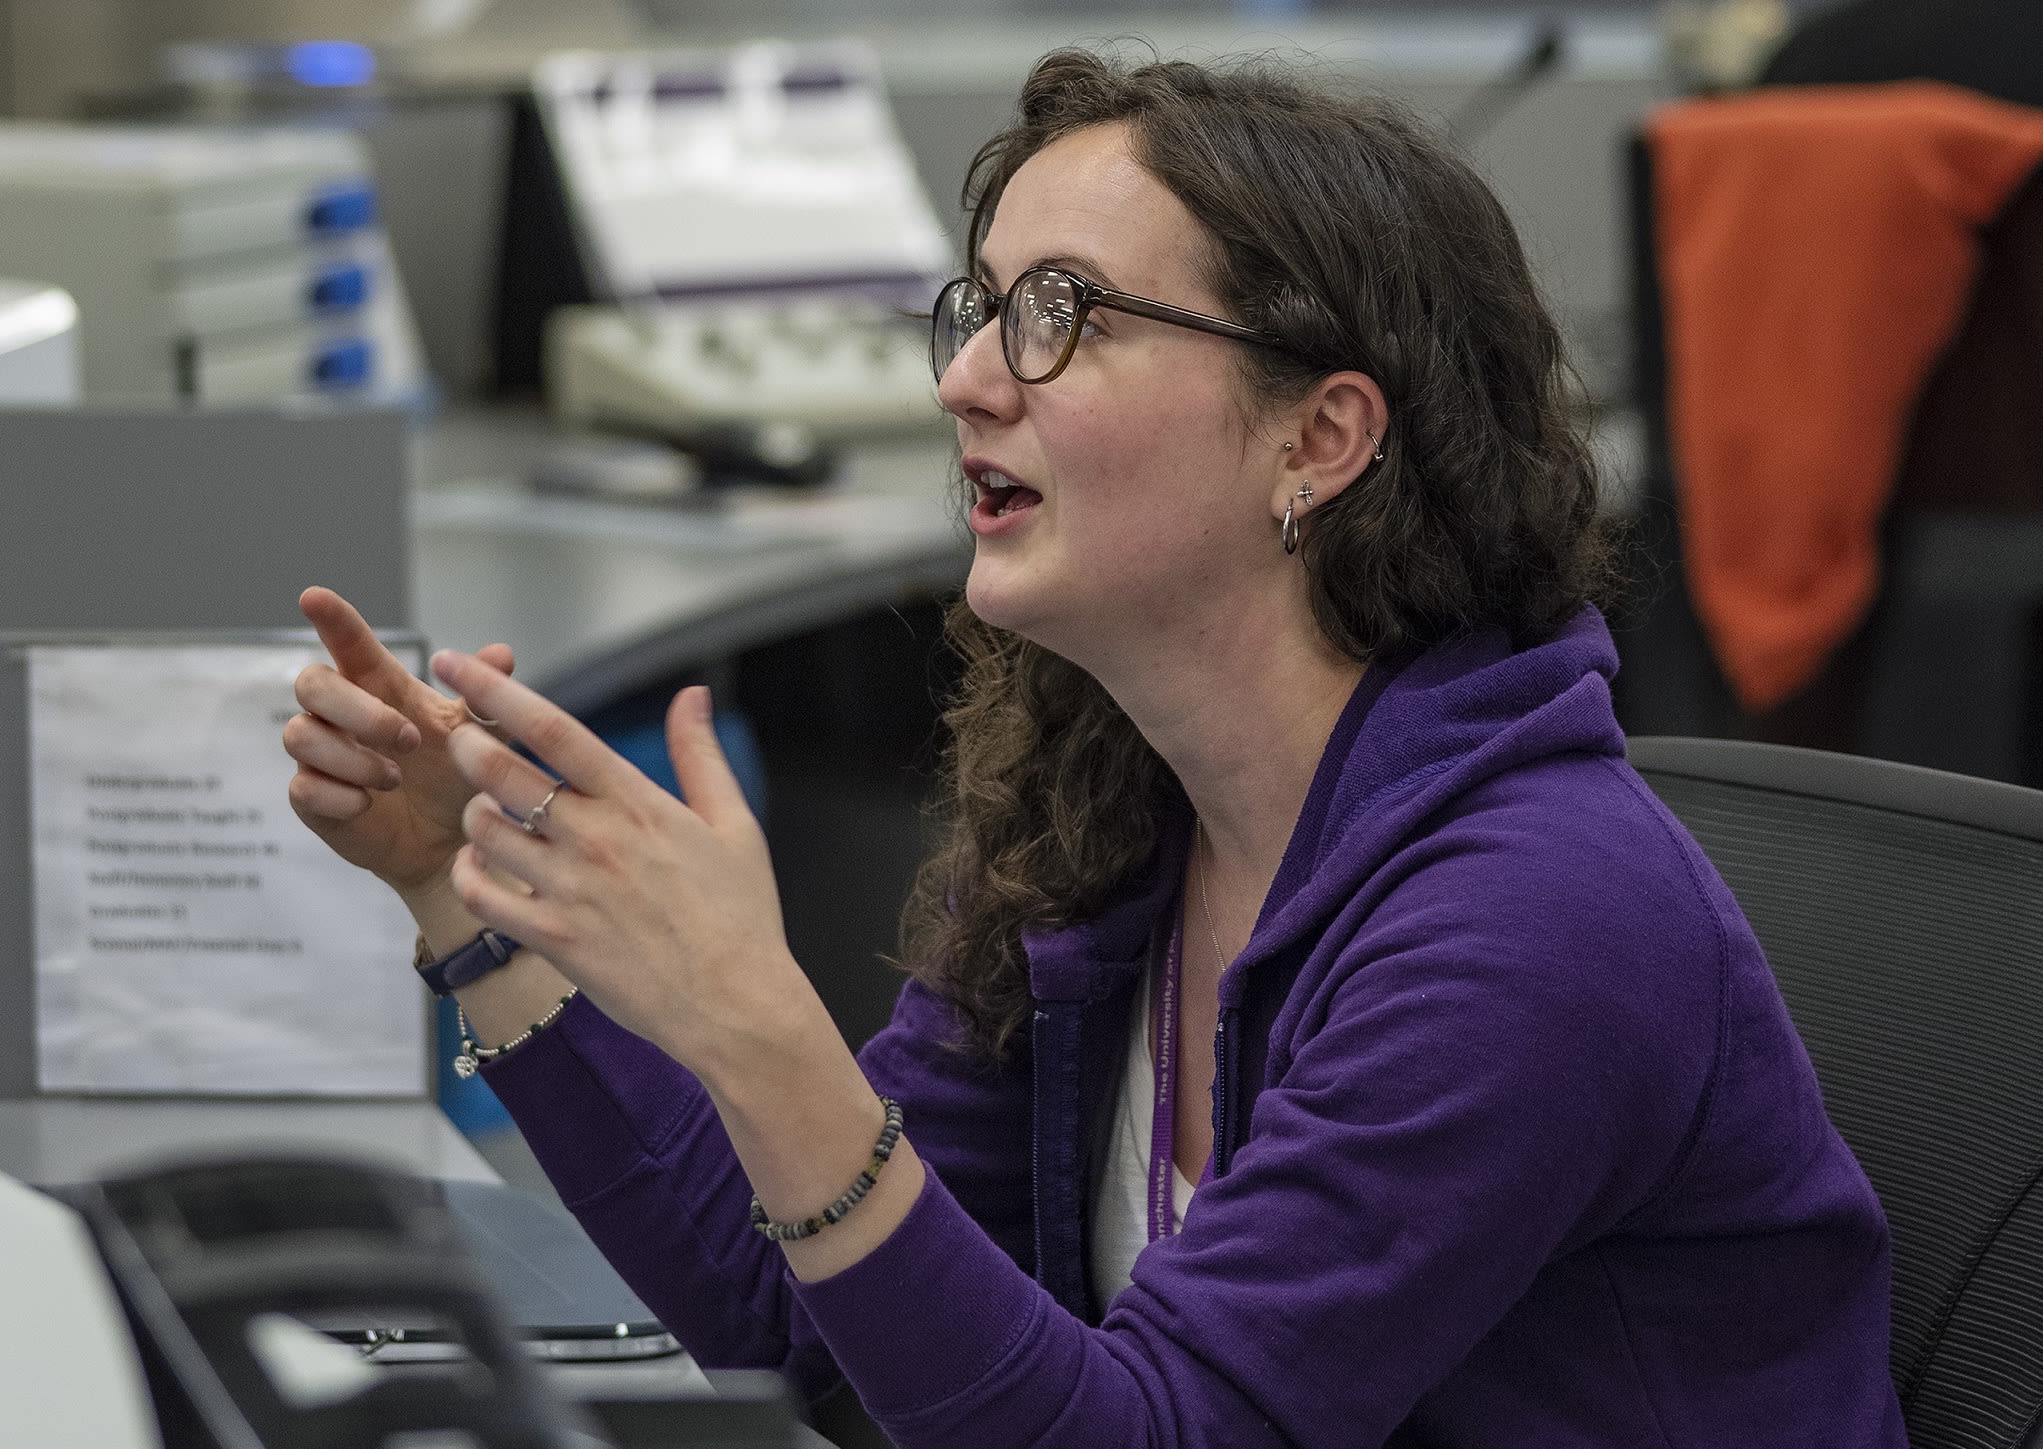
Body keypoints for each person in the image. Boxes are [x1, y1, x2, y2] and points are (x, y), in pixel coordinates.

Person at [283, 49, 1908, 1447]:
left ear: (1318, 437)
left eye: (1061, 314)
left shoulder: (1534, 924)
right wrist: (456, 887)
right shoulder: (1111, 812)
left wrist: (758, 1027)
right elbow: (789, 1309)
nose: (970, 380)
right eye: (980, 309)